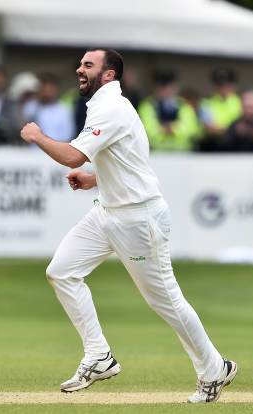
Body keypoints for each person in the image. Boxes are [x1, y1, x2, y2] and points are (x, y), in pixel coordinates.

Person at [19, 48, 236, 403]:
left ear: (108, 74)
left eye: (88, 65)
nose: (79, 69)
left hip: (139, 219)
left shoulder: (113, 108)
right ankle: (99, 356)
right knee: (61, 271)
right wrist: (97, 179)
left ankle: (214, 370)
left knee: (166, 301)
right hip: (108, 211)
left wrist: (37, 136)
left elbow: (73, 155)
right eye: (81, 64)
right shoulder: (104, 105)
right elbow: (127, 160)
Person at [138, 69, 199, 151]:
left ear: (175, 87)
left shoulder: (184, 105)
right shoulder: (147, 105)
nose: (164, 90)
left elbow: (191, 128)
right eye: (161, 87)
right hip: (156, 153)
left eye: (168, 86)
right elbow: (147, 129)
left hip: (183, 154)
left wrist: (170, 130)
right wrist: (174, 129)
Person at [198, 68, 243, 150]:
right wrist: (231, 130)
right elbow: (210, 129)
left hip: (235, 145)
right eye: (219, 84)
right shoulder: (206, 102)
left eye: (227, 84)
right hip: (212, 145)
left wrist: (221, 128)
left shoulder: (240, 102)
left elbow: (242, 128)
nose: (223, 87)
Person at [27, 73, 75, 141]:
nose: (47, 93)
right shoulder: (30, 106)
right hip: (32, 149)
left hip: (56, 149)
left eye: (50, 89)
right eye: (45, 89)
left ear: (56, 89)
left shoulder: (64, 109)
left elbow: (68, 134)